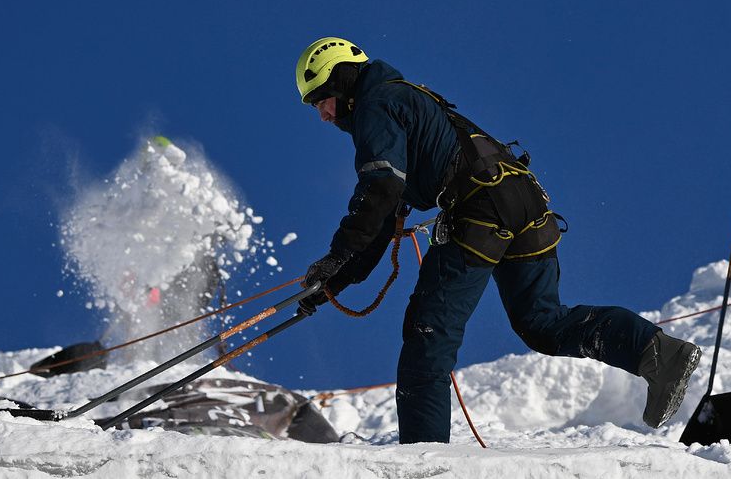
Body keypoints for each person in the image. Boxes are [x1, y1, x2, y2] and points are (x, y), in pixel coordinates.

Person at [294, 36, 702, 444]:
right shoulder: (406, 99)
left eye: (321, 99)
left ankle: (424, 459)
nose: (323, 115)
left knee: (427, 338)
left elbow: (379, 188)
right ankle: (658, 353)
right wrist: (336, 279)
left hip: (480, 211)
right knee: (543, 323)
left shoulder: (376, 105)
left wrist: (336, 258)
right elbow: (382, 219)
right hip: (525, 202)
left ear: (343, 80)